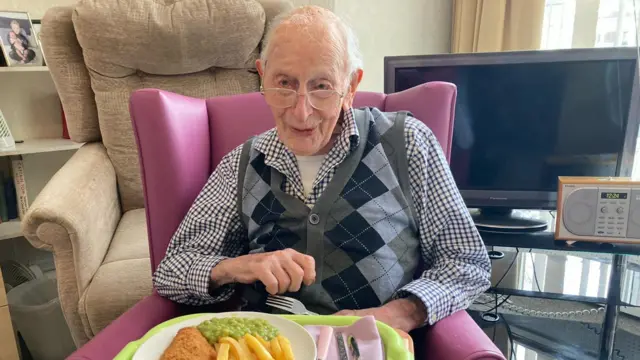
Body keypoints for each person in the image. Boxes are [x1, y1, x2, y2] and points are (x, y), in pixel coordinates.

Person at [154, 5, 490, 333]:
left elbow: (467, 262)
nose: (301, 112)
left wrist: (398, 314)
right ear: (262, 75)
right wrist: (237, 267)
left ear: (351, 86)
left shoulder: (407, 144)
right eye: (284, 83)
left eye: (322, 86)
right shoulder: (241, 164)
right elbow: (171, 273)